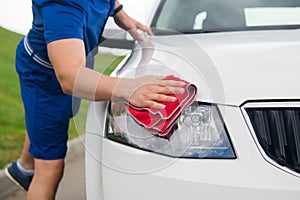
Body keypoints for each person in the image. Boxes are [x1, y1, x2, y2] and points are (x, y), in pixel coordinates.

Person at [5, 0, 185, 199]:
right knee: (50, 169)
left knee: (58, 118)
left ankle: (23, 168)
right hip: (46, 79)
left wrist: (120, 13)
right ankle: (28, 170)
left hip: (77, 59)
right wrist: (128, 87)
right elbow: (70, 77)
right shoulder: (61, 5)